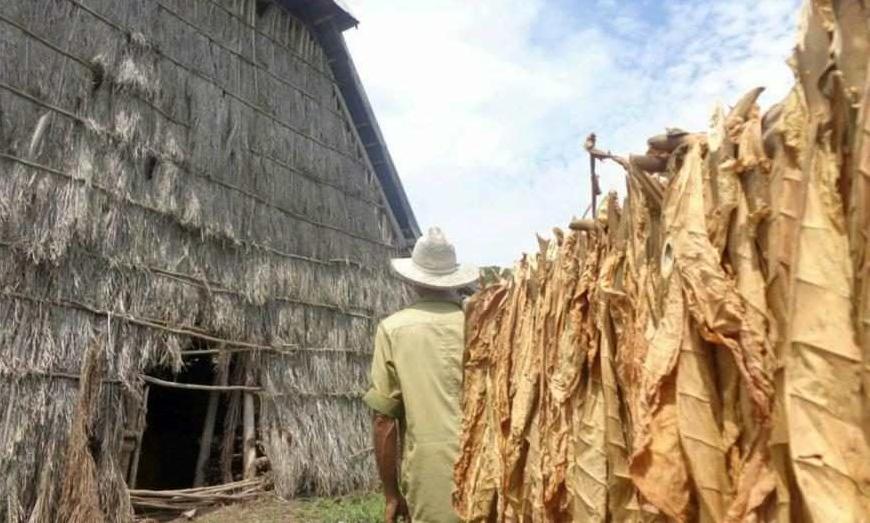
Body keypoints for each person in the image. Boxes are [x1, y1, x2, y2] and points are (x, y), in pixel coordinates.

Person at [363, 227, 479, 523]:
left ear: (413, 281)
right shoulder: (485, 324)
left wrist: (391, 494)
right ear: (455, 280)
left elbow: (384, 420)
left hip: (430, 482)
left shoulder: (393, 329)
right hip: (490, 475)